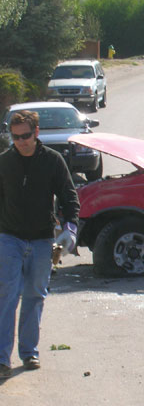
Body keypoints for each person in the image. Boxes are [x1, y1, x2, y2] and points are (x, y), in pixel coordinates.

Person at [0, 110, 79, 379]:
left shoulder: (52, 161)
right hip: (9, 237)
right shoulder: (4, 163)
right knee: (7, 296)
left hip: (43, 239)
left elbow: (69, 195)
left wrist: (70, 227)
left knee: (35, 296)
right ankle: (2, 358)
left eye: (25, 136)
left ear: (36, 133)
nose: (20, 141)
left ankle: (29, 352)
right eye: (15, 136)